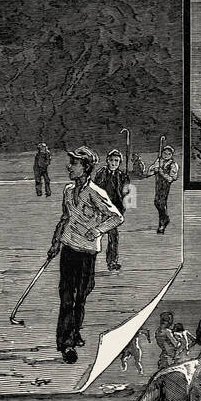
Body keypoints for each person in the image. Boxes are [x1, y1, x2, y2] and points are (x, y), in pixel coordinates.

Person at [46, 146, 124, 364]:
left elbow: (117, 217)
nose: (69, 167)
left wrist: (98, 230)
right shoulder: (68, 191)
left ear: (86, 168)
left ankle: (75, 331)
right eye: (70, 162)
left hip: (87, 253)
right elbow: (64, 219)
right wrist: (55, 244)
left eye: (74, 163)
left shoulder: (96, 193)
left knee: (81, 297)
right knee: (66, 297)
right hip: (68, 249)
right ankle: (66, 344)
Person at [93, 149, 130, 272]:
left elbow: (126, 195)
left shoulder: (122, 176)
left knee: (113, 237)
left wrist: (121, 210)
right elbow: (95, 190)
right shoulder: (101, 173)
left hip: (114, 211)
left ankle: (112, 262)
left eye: (117, 161)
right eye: (112, 160)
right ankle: (89, 261)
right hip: (101, 209)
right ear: (107, 160)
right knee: (95, 235)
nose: (114, 163)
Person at [138, 145, 179, 234]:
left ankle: (162, 224)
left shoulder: (173, 164)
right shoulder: (159, 161)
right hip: (158, 185)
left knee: (161, 203)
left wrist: (162, 173)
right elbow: (149, 172)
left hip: (165, 186)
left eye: (169, 154)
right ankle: (166, 218)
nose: (166, 155)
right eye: (164, 153)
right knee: (156, 202)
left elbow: (171, 178)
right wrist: (155, 170)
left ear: (171, 155)